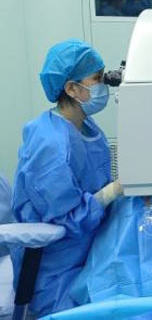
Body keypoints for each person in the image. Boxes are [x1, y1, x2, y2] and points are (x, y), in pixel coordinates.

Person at [12, 39, 124, 316]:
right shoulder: (49, 143)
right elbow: (67, 219)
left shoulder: (85, 126)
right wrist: (112, 192)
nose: (104, 84)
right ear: (72, 88)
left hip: (89, 247)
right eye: (97, 78)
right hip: (59, 269)